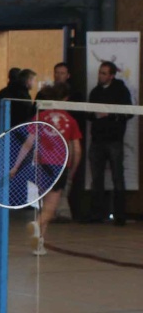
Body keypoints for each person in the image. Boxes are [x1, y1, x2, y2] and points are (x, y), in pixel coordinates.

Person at [10, 83, 82, 255]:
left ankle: (39, 243)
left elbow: (28, 144)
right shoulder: (70, 120)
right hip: (60, 167)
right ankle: (37, 224)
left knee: (44, 204)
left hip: (42, 166)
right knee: (51, 208)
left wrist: (15, 166)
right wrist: (72, 169)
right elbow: (77, 149)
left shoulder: (40, 116)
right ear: (64, 99)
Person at [87, 61, 132, 226]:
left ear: (112, 76)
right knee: (96, 179)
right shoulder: (95, 92)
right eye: (100, 72)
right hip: (97, 140)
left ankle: (120, 215)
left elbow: (130, 112)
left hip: (114, 140)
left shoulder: (121, 91)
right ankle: (96, 214)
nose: (101, 76)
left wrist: (110, 115)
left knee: (117, 178)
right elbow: (88, 114)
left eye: (104, 73)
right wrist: (95, 115)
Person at [51, 62, 85, 221]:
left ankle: (63, 211)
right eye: (56, 72)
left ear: (68, 75)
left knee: (65, 179)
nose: (59, 75)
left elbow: (76, 144)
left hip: (67, 142)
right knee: (50, 181)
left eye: (62, 73)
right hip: (48, 145)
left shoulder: (76, 96)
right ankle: (51, 212)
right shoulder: (44, 97)